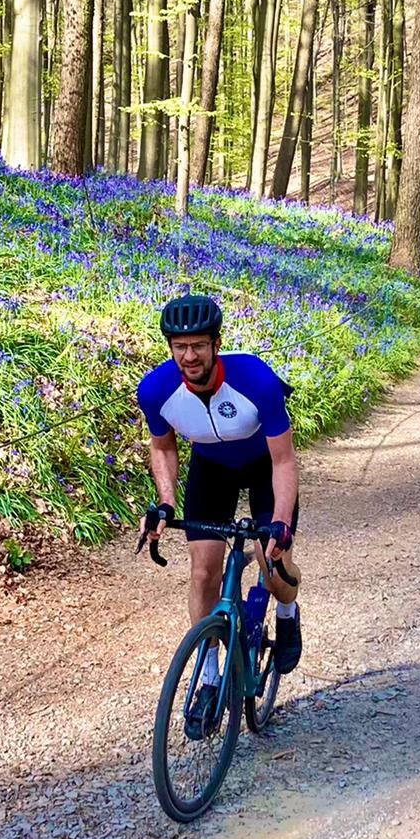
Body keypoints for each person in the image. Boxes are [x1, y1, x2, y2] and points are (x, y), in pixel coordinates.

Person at [136, 294, 302, 736]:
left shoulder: (255, 380)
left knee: (274, 569)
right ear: (170, 348)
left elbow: (284, 461)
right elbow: (163, 447)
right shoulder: (156, 391)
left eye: (199, 346)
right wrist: (166, 503)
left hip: (265, 466)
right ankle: (209, 674)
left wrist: (281, 523)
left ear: (216, 344)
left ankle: (287, 616)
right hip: (212, 469)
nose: (189, 356)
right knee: (203, 573)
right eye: (180, 347)